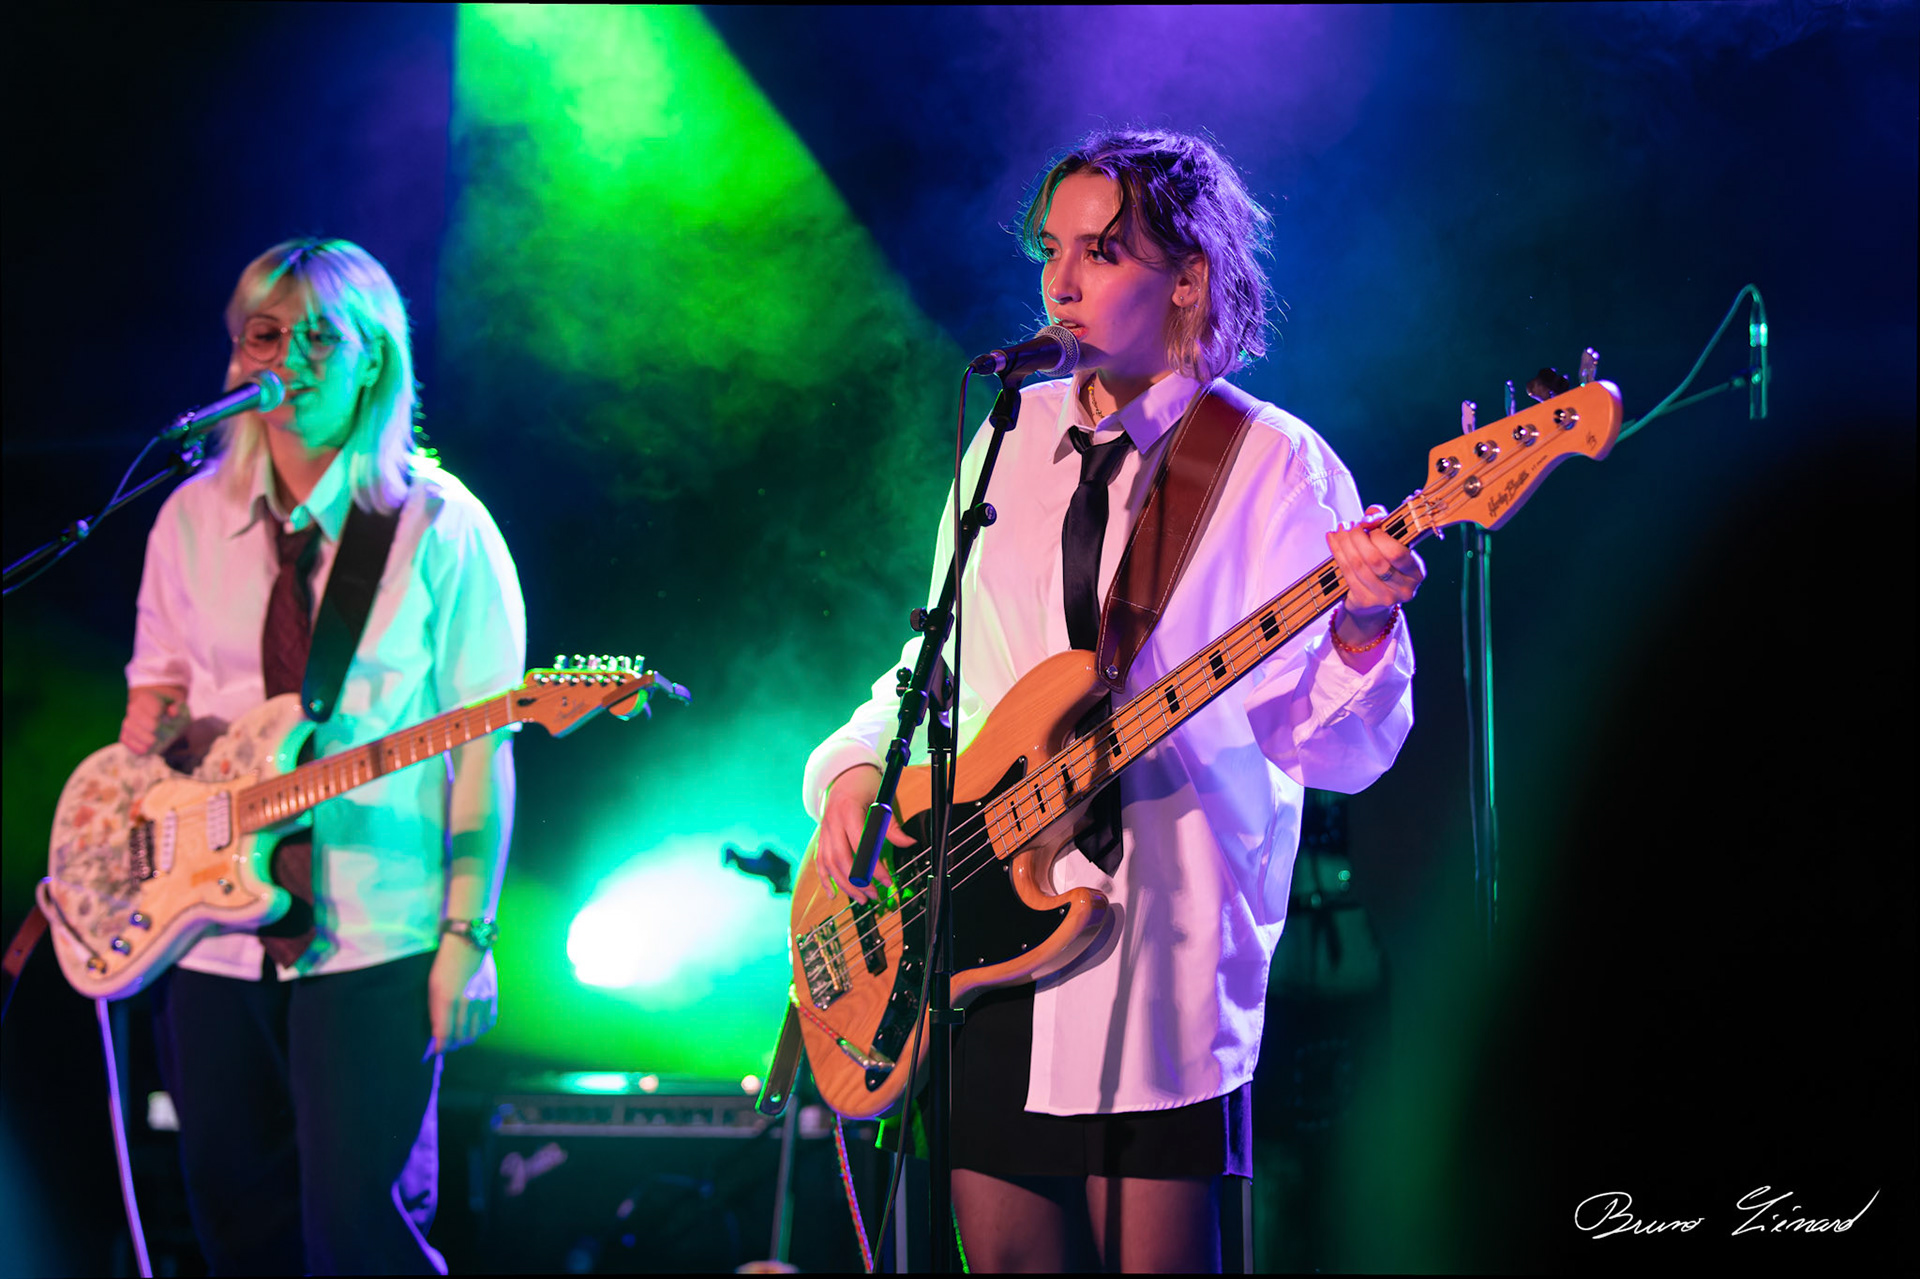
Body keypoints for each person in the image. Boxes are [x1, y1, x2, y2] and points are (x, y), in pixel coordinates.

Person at [803, 130, 1425, 1273]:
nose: (1062, 282)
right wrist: (852, 766)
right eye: (1052, 250)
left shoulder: (1274, 466)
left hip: (1159, 951)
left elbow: (1334, 750)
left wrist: (1363, 624)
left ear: (1189, 276)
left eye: (1102, 251)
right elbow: (937, 666)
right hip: (984, 929)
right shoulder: (1010, 437)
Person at [118, 238, 525, 1274]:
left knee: (360, 1240)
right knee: (234, 1231)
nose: (288, 358)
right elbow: (150, 710)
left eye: (320, 336)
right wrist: (137, 799)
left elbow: (482, 753)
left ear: (373, 360)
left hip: (377, 939)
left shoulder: (440, 527)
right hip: (208, 939)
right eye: (266, 333)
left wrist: (466, 935)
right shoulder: (185, 520)